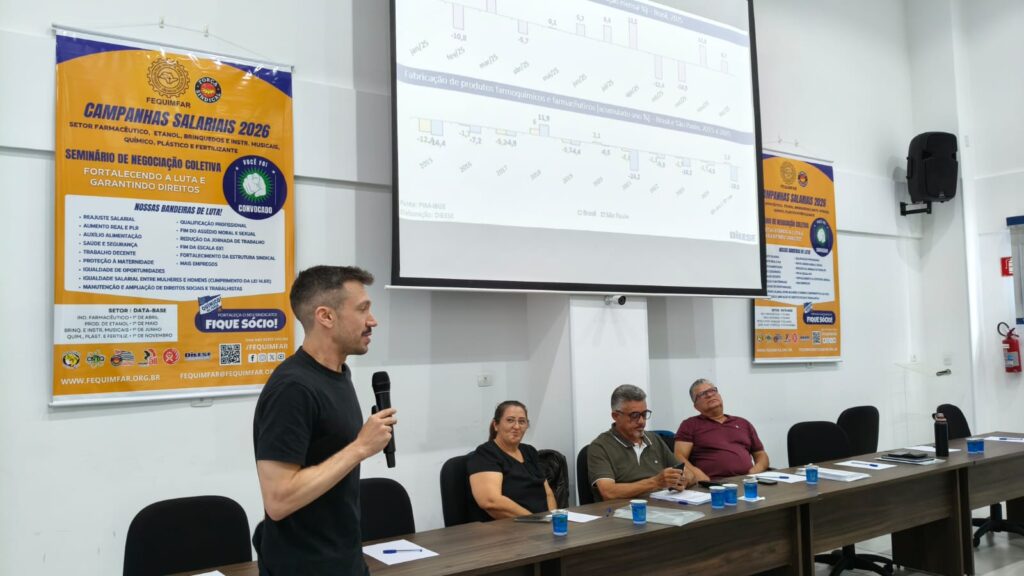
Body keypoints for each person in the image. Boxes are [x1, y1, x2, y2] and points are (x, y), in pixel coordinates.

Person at [252, 265, 397, 575]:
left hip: (344, 560)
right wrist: (360, 448)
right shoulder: (293, 389)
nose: (372, 321)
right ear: (326, 316)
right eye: (362, 309)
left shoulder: (338, 374)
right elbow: (278, 500)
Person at [587, 384, 685, 501]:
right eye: (634, 415)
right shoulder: (600, 447)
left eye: (644, 414)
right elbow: (608, 492)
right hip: (624, 509)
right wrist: (655, 482)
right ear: (616, 416)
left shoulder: (654, 439)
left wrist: (681, 480)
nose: (641, 421)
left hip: (664, 505)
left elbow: (685, 474)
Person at [468, 400, 557, 519]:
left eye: (522, 421)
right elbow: (490, 501)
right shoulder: (485, 454)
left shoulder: (529, 451)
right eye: (510, 420)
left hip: (543, 523)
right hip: (511, 526)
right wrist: (537, 521)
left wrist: (553, 519)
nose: (516, 426)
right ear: (496, 425)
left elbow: (548, 493)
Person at [674, 378, 769, 482]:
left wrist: (755, 471)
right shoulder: (690, 425)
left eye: (712, 391)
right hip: (712, 484)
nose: (710, 395)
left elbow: (760, 453)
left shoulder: (743, 423)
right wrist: (698, 476)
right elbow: (679, 456)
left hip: (747, 482)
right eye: (702, 394)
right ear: (696, 406)